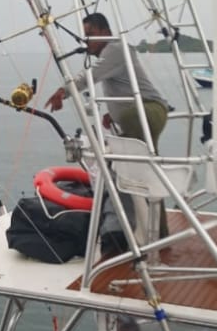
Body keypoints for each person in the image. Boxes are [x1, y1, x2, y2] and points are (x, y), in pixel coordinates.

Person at [45, 12, 170, 246]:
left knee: (132, 171)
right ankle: (156, 232)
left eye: (90, 35)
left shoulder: (115, 49)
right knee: (143, 171)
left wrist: (63, 91)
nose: (86, 42)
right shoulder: (117, 52)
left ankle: (138, 234)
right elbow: (124, 86)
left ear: (105, 32)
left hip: (144, 113)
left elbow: (90, 76)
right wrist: (111, 114)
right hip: (142, 112)